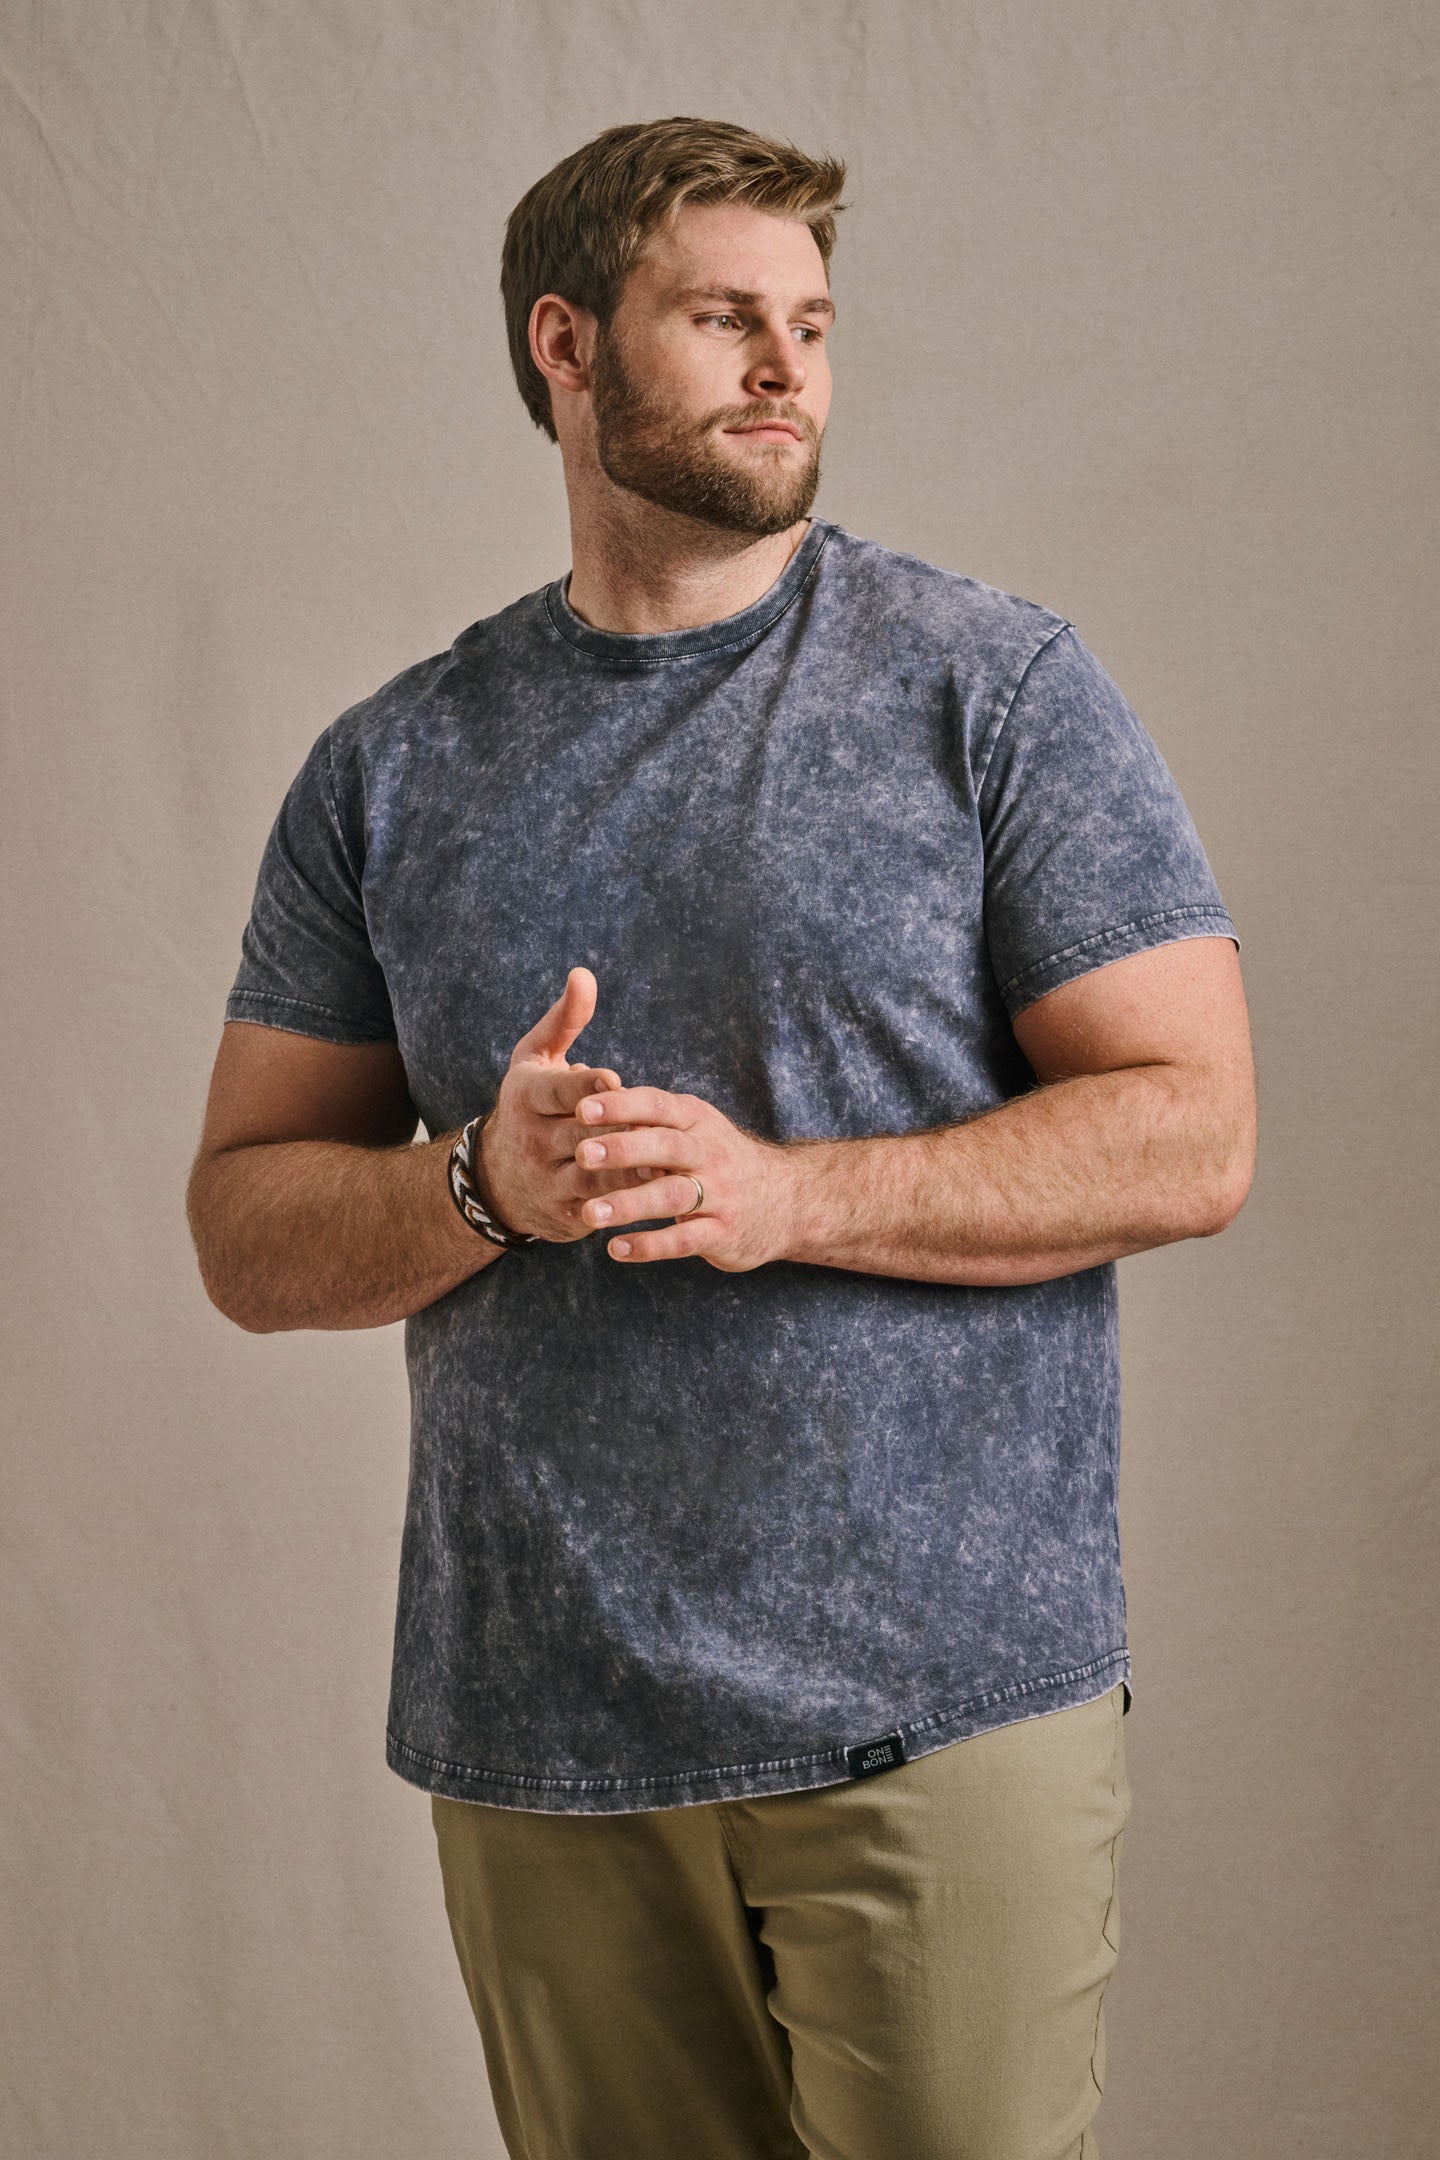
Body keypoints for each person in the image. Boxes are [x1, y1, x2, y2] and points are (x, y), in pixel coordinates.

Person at [186, 114, 1256, 2160]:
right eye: (723, 319)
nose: (787, 368)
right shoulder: (392, 766)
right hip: (546, 1730)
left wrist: (790, 1193)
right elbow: (245, 1226)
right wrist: (477, 1188)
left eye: (813, 325)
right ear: (566, 346)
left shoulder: (991, 691)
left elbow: (1194, 1130)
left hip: (936, 1708)